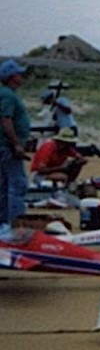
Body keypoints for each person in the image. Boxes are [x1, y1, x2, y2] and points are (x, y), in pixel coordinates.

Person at [0, 59, 31, 228]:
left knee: (4, 184)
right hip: (8, 147)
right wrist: (16, 143)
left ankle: (4, 222)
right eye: (19, 74)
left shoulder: (5, 93)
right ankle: (15, 223)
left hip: (4, 146)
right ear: (12, 77)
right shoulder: (8, 95)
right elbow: (6, 119)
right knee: (17, 184)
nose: (22, 76)